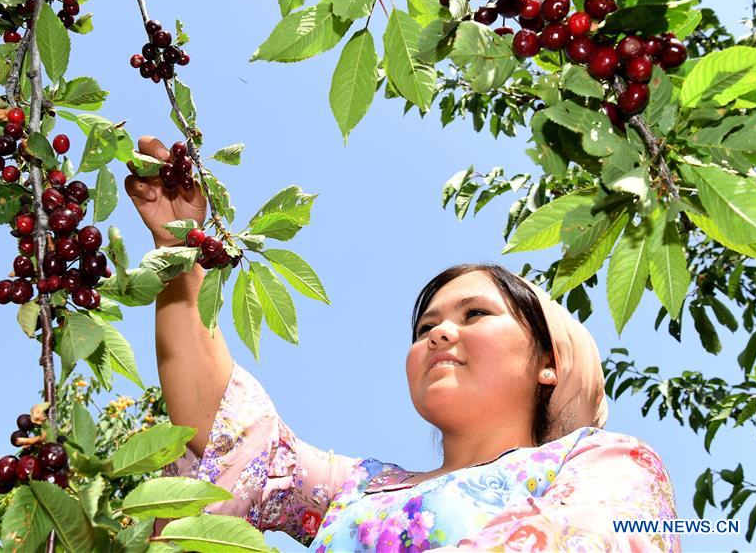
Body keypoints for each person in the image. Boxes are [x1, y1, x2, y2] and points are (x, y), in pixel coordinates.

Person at [125, 136, 680, 552]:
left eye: (476, 313)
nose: (439, 333)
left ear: (550, 364)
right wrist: (183, 250)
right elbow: (225, 431)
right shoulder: (361, 489)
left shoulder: (605, 462)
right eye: (423, 329)